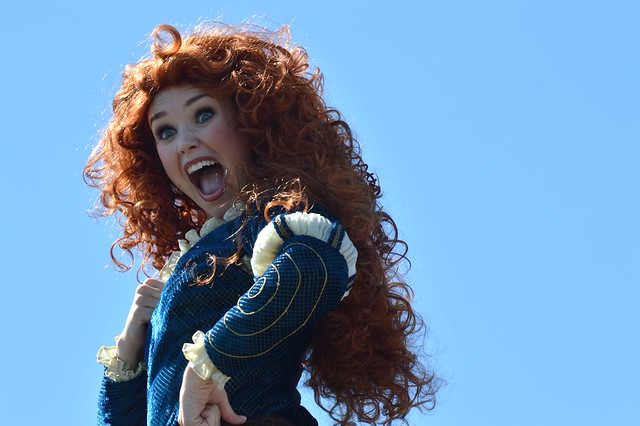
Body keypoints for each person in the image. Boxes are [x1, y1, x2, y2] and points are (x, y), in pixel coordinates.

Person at [85, 21, 437, 426]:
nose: (184, 142)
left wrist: (208, 365)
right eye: (165, 131)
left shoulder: (272, 216)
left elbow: (316, 265)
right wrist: (131, 344)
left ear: (252, 120)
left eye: (203, 114)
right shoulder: (196, 255)